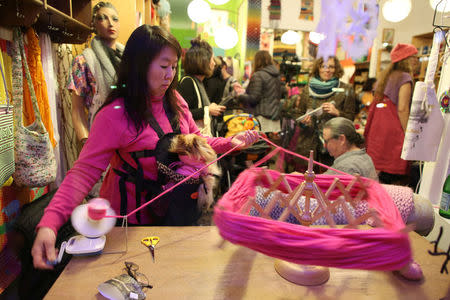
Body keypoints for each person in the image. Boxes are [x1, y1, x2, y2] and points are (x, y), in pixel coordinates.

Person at [31, 25, 259, 270]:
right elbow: (83, 172)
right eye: (163, 66)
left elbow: (195, 140)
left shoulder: (176, 101)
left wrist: (230, 143)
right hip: (129, 222)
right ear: (139, 65)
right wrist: (49, 224)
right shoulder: (115, 115)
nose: (170, 75)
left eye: (173, 67)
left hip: (171, 212)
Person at [68, 2, 124, 146]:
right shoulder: (83, 61)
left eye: (115, 19)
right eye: (102, 18)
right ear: (94, 24)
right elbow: (77, 109)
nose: (110, 23)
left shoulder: (129, 59)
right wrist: (86, 142)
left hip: (129, 136)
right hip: (100, 136)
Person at [364, 43, 418, 185]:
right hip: (393, 135)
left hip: (378, 133)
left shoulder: (384, 77)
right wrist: (409, 134)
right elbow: (402, 109)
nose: (417, 61)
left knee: (378, 179)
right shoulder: (405, 78)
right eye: (414, 57)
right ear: (407, 59)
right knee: (395, 181)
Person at [293, 56, 356, 171]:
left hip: (334, 147)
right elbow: (298, 114)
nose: (327, 70)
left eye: (331, 67)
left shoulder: (346, 89)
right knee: (306, 182)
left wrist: (337, 112)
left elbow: (351, 119)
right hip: (308, 143)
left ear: (336, 69)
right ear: (318, 68)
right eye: (324, 66)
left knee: (329, 182)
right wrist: (303, 121)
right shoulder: (308, 89)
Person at [177, 37, 226, 137]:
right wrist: (208, 110)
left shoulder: (198, 82)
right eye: (212, 59)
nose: (214, 63)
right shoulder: (188, 82)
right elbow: (180, 114)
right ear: (203, 60)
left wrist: (209, 108)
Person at [238, 50, 283, 134]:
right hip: (275, 117)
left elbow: (254, 98)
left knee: (258, 145)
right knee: (270, 145)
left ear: (257, 61)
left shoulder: (258, 75)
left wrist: (239, 96)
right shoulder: (277, 76)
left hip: (261, 118)